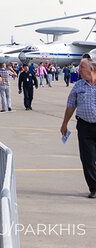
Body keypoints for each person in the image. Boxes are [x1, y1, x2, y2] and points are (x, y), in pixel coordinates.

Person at [60, 57, 96, 198]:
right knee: (88, 159)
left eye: (81, 67)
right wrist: (64, 124)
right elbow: (71, 105)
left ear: (91, 69)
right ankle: (94, 188)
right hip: (84, 126)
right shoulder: (78, 86)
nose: (78, 70)